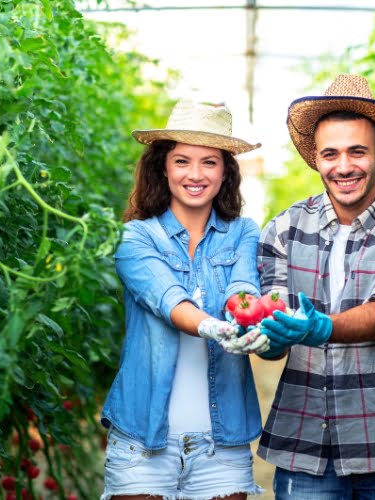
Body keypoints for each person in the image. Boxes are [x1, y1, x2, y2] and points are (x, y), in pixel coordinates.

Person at [256, 74, 375, 499]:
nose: (343, 167)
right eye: (330, 154)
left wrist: (320, 327)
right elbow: (275, 331)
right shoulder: (283, 230)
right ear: (316, 159)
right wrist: (263, 335)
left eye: (356, 151)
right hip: (303, 444)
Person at [100, 98, 270, 500]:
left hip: (222, 447)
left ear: (226, 171)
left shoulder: (243, 231)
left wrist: (251, 321)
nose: (195, 174)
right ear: (162, 166)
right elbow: (167, 299)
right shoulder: (134, 238)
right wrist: (214, 327)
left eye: (209, 162)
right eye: (182, 161)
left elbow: (242, 289)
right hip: (141, 442)